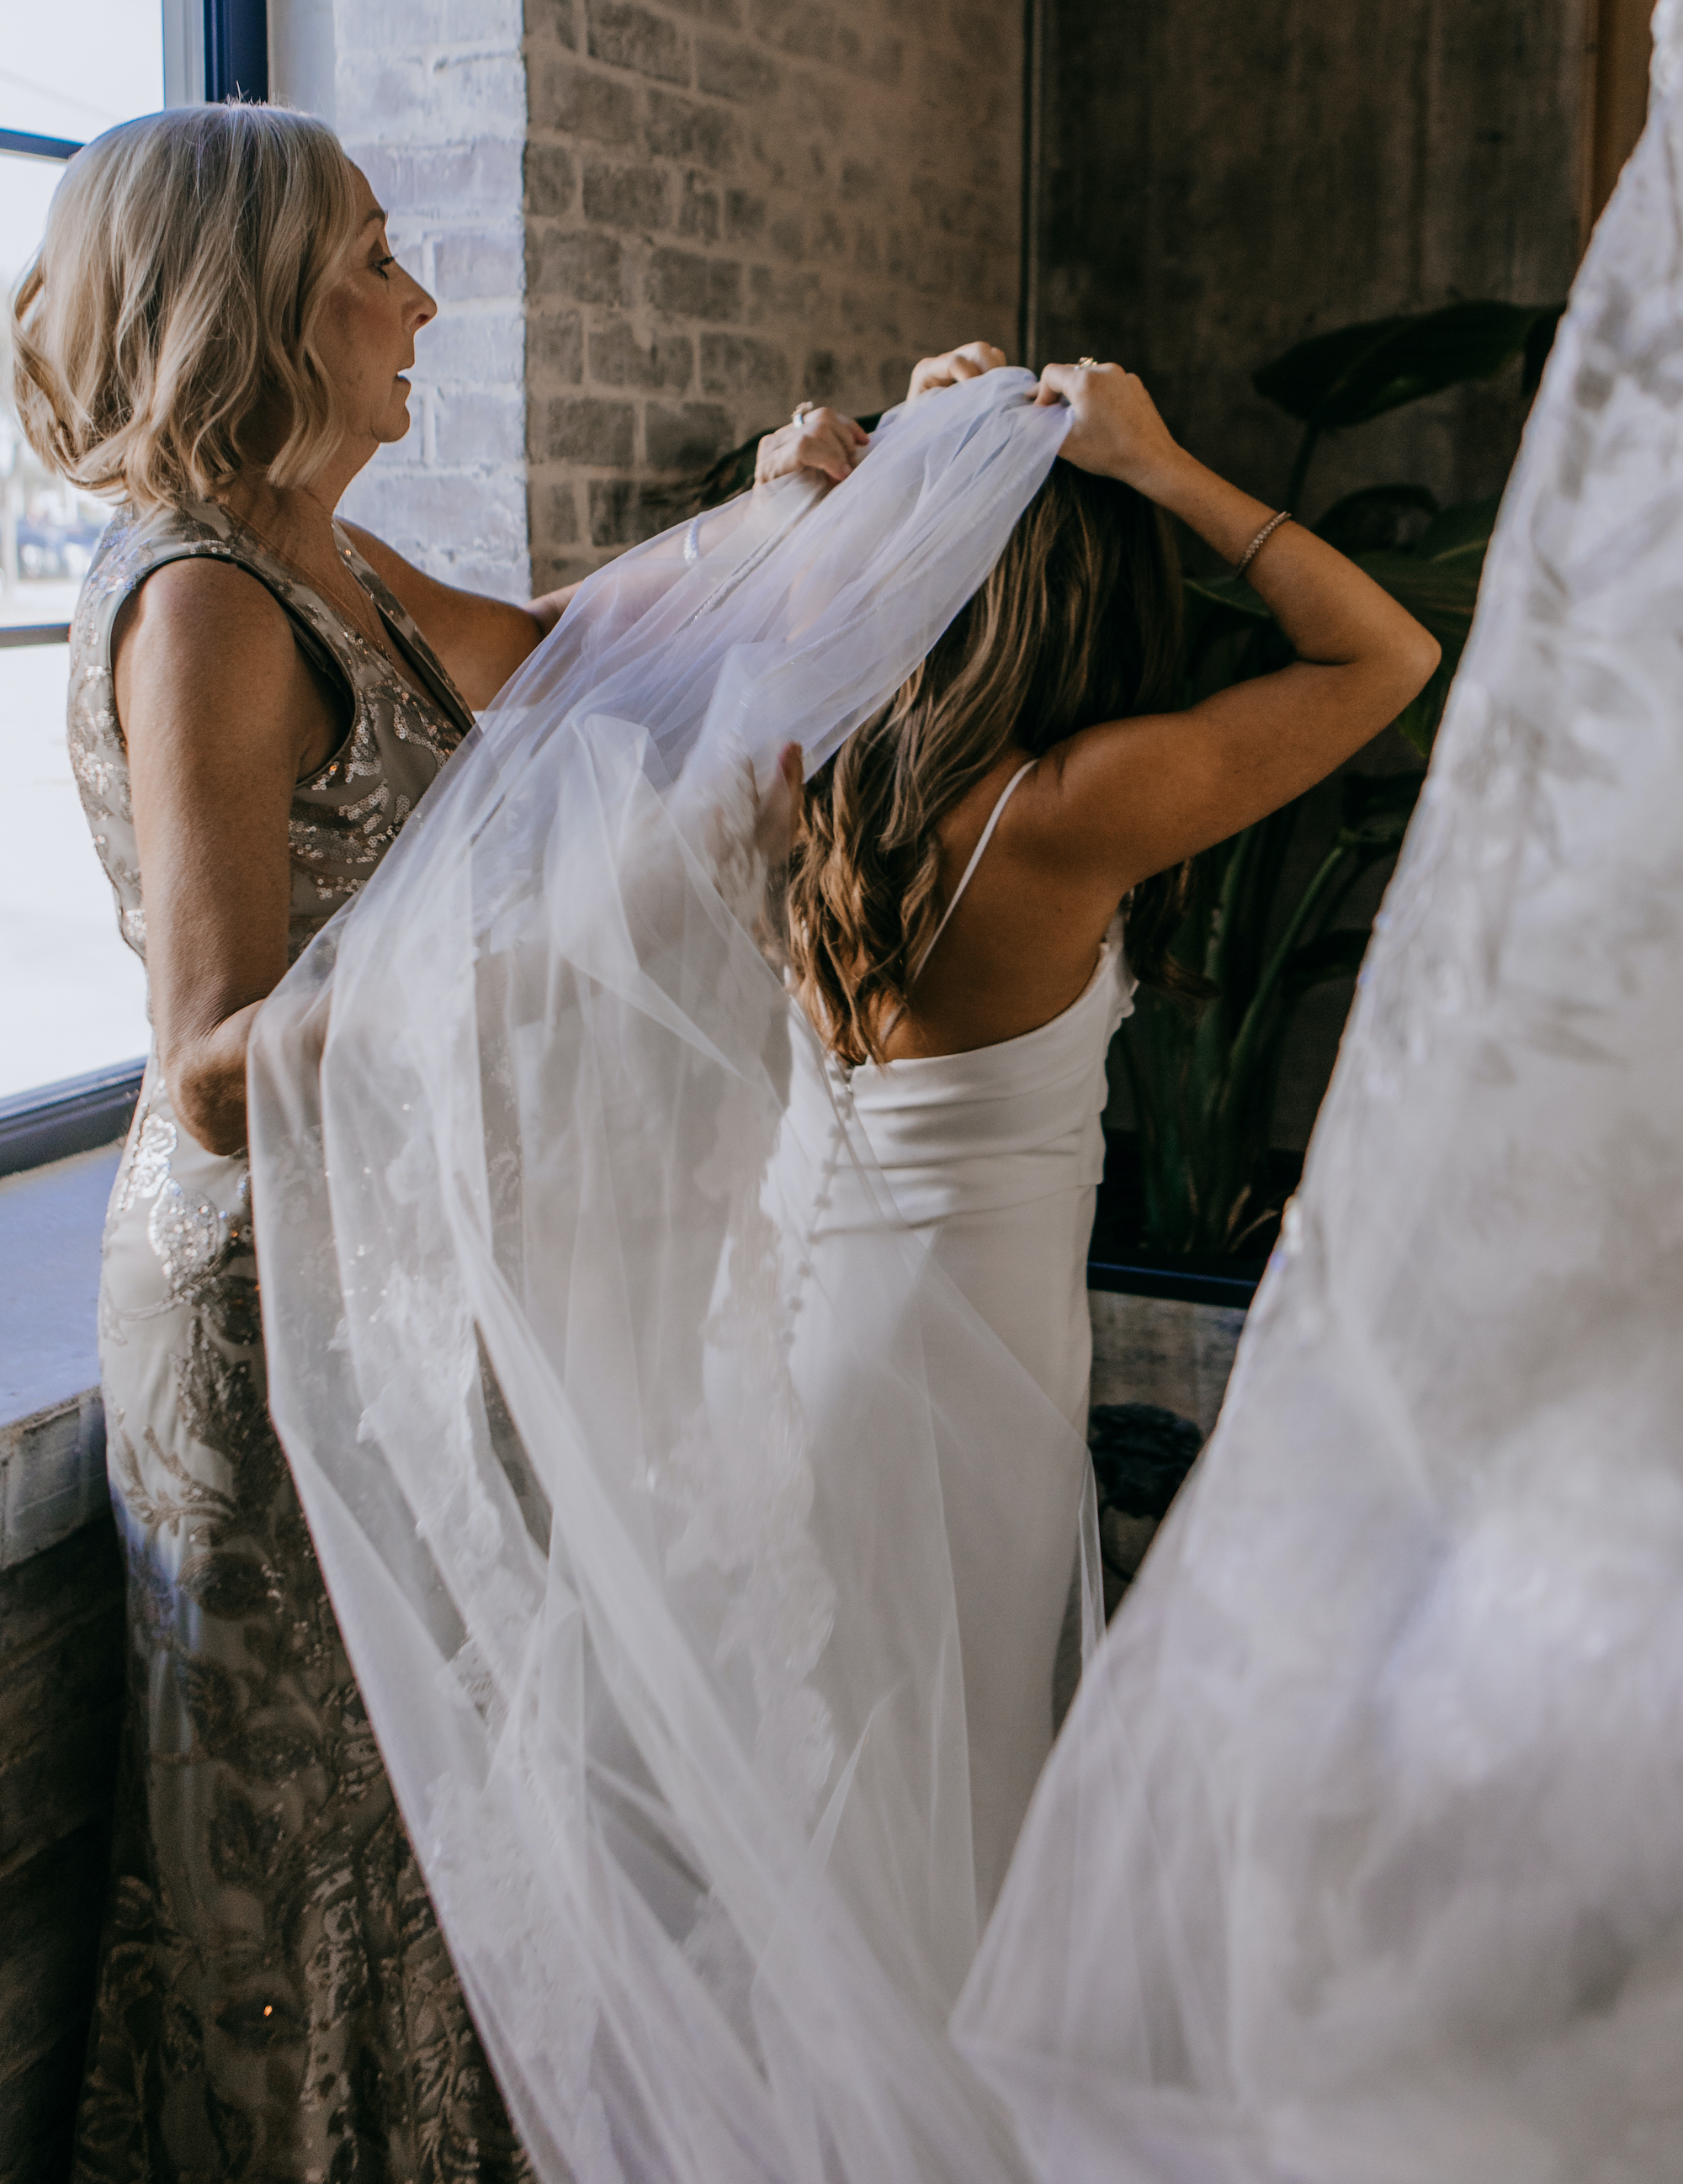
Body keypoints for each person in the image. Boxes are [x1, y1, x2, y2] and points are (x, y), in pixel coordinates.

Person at [243, 290, 1437, 2169]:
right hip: (954, 1357)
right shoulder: (1054, 812)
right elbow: (1383, 652)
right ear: (1080, 601)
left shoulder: (805, 782)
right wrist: (1159, 462)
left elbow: (566, 668)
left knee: (830, 1788)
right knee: (947, 1792)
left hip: (791, 1326)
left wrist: (893, 477)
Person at [9, 103, 576, 2181]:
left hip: (386, 1274)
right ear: (250, 295)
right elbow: (216, 1060)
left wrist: (801, 515)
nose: (416, 296)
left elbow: (574, 654)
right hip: (263, 1307)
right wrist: (551, 953)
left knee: (409, 1816)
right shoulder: (205, 605)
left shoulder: (315, 551)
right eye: (370, 258)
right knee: (294, 1848)